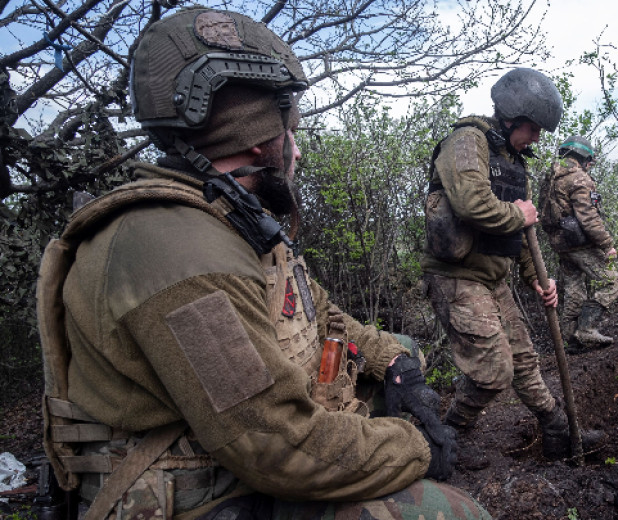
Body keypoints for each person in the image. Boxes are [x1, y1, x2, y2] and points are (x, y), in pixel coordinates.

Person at [35, 8, 490, 520]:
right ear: (259, 136)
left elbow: (323, 317)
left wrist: (395, 362)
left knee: (401, 352)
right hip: (204, 495)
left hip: (232, 453)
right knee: (453, 513)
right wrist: (415, 448)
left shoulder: (229, 219)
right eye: (290, 128)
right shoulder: (183, 255)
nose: (297, 148)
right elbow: (275, 446)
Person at [420, 68, 602, 462]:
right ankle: (448, 437)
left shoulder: (513, 160)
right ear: (511, 116)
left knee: (523, 358)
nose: (537, 138)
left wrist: (537, 278)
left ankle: (556, 427)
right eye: (533, 128)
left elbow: (521, 231)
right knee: (492, 369)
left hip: (492, 277)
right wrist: (520, 216)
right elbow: (472, 203)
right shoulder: (467, 141)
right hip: (456, 276)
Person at [539, 136, 618, 351]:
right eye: (590, 161)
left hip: (560, 243)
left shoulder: (551, 176)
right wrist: (607, 244)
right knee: (611, 282)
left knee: (575, 289)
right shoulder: (579, 178)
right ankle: (586, 329)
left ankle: (572, 341)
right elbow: (588, 217)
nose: (590, 165)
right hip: (579, 243)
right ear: (584, 157)